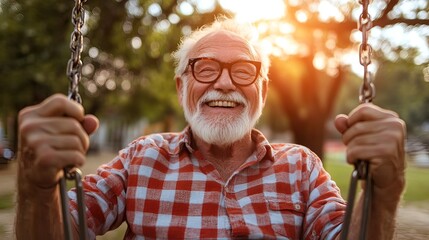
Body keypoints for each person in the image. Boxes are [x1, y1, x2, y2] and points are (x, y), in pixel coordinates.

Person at [15, 18, 406, 239]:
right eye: (205, 68)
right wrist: (36, 189)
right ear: (182, 86)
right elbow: (62, 231)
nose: (224, 84)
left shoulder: (301, 167)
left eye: (242, 71)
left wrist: (383, 194)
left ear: (262, 91)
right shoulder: (141, 158)